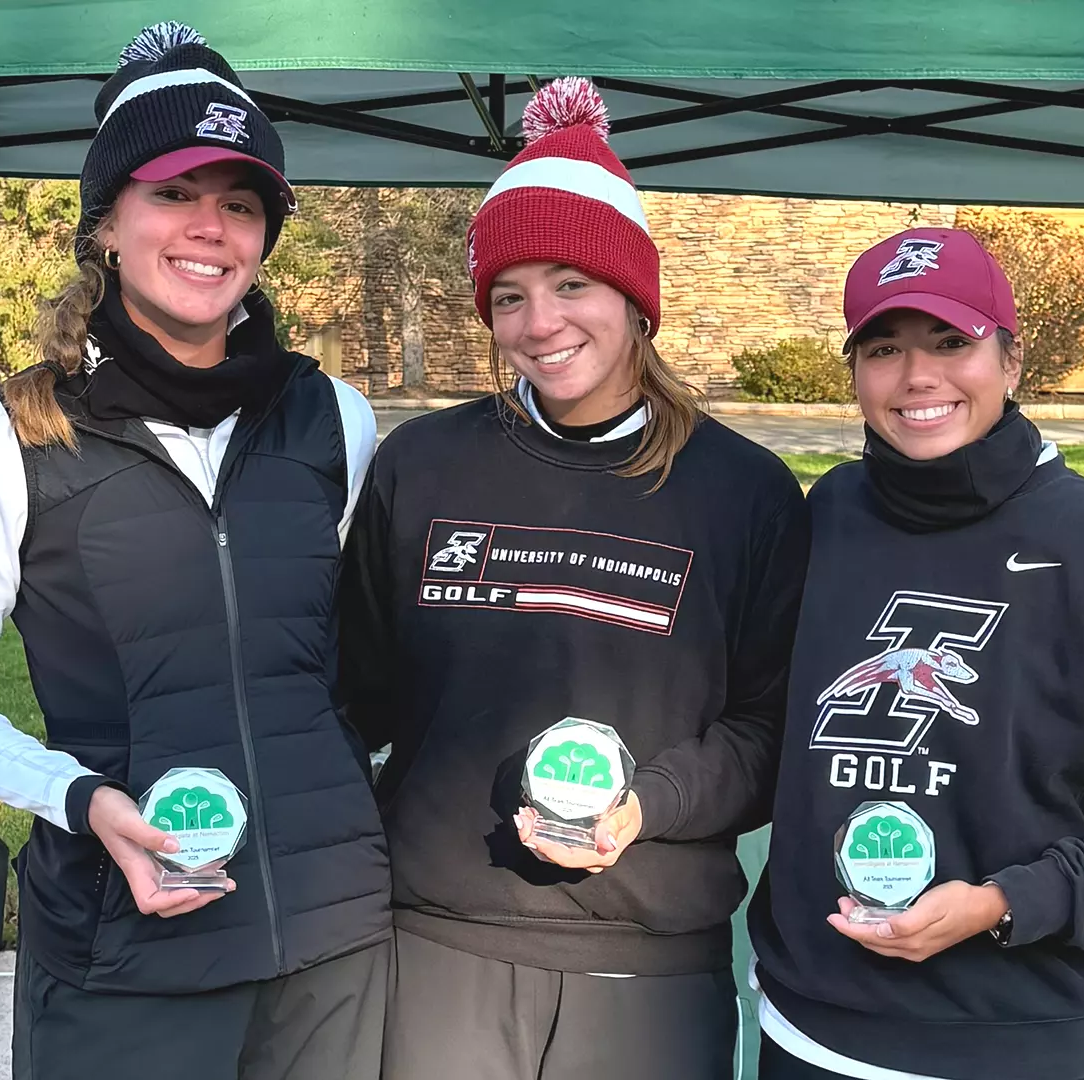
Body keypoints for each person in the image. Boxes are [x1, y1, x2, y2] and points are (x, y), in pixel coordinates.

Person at [0, 23, 389, 1080]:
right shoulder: (8, 442)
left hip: (330, 942)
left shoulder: (334, 421)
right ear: (108, 223)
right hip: (124, 946)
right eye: (174, 193)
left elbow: (340, 670)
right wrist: (82, 800)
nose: (210, 228)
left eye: (241, 201)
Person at [339, 77, 810, 1080]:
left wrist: (652, 803)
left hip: (647, 968)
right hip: (438, 948)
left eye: (569, 284)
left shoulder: (746, 494)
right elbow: (351, 696)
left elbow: (772, 731)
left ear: (634, 298)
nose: (538, 320)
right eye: (508, 295)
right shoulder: (421, 467)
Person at [750, 227, 1084, 1080]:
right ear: (855, 374)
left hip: (1018, 1044)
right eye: (884, 348)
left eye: (953, 342)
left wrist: (1003, 902)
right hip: (809, 1035)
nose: (919, 377)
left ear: (1012, 360)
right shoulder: (824, 517)